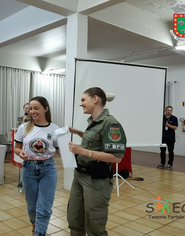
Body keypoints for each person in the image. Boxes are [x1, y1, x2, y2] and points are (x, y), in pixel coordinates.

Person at [67, 87, 127, 236]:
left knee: (95, 226)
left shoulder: (111, 123)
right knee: (74, 220)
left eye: (83, 100)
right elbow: (94, 142)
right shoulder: (94, 122)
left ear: (95, 99)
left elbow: (116, 157)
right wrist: (78, 132)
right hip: (80, 176)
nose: (81, 104)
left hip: (96, 181)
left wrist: (82, 151)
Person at [14, 96, 60, 236]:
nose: (32, 111)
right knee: (32, 206)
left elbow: (58, 150)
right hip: (28, 169)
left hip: (48, 169)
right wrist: (20, 152)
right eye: (31, 108)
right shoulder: (23, 128)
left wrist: (67, 148)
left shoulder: (55, 129)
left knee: (44, 208)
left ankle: (40, 233)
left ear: (46, 109)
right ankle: (34, 229)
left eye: (36, 108)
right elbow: (17, 148)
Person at [158, 105, 178, 170]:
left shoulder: (174, 118)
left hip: (171, 138)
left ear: (172, 111)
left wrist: (168, 125)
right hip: (163, 137)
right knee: (162, 151)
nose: (169, 111)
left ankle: (170, 164)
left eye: (170, 110)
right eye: (168, 110)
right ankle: (162, 163)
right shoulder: (162, 117)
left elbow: (175, 127)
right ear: (165, 111)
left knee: (170, 151)